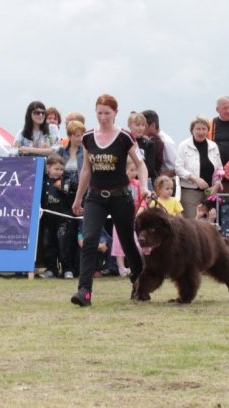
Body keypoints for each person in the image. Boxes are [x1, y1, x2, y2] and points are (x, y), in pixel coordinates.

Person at [70, 94, 149, 307]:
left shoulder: (124, 137)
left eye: (107, 113)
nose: (103, 117)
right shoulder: (87, 137)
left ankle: (140, 285)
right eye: (99, 113)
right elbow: (86, 170)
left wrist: (144, 186)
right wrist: (78, 199)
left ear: (115, 113)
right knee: (90, 240)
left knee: (127, 242)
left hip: (120, 196)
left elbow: (140, 165)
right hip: (95, 196)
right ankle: (84, 291)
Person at [175, 115, 223, 219]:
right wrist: (195, 179)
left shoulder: (213, 146)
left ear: (207, 130)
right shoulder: (183, 145)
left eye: (204, 129)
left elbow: (220, 169)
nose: (201, 132)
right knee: (193, 223)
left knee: (209, 223)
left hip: (210, 192)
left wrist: (217, 185)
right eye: (198, 129)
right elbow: (178, 168)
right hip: (190, 192)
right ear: (192, 130)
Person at [39, 155, 77, 279]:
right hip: (47, 219)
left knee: (64, 245)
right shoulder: (42, 181)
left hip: (63, 220)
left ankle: (67, 268)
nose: (59, 172)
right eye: (56, 169)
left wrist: (64, 187)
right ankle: (51, 269)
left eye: (61, 169)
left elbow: (74, 188)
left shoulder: (66, 181)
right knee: (48, 244)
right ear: (48, 168)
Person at [111, 158, 142, 277]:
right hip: (119, 217)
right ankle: (121, 268)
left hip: (135, 218)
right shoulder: (118, 185)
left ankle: (137, 266)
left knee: (137, 242)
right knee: (119, 243)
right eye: (131, 170)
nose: (133, 173)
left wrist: (141, 208)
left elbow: (142, 199)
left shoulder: (138, 184)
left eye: (135, 170)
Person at [128, 112, 158, 187]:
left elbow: (150, 168)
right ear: (129, 125)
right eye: (137, 125)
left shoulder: (149, 144)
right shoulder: (124, 142)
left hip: (144, 182)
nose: (141, 128)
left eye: (143, 125)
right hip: (126, 181)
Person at [142, 109, 176, 176]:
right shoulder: (145, 139)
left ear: (152, 126)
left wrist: (157, 178)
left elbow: (175, 169)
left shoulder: (166, 141)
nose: (141, 128)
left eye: (143, 125)